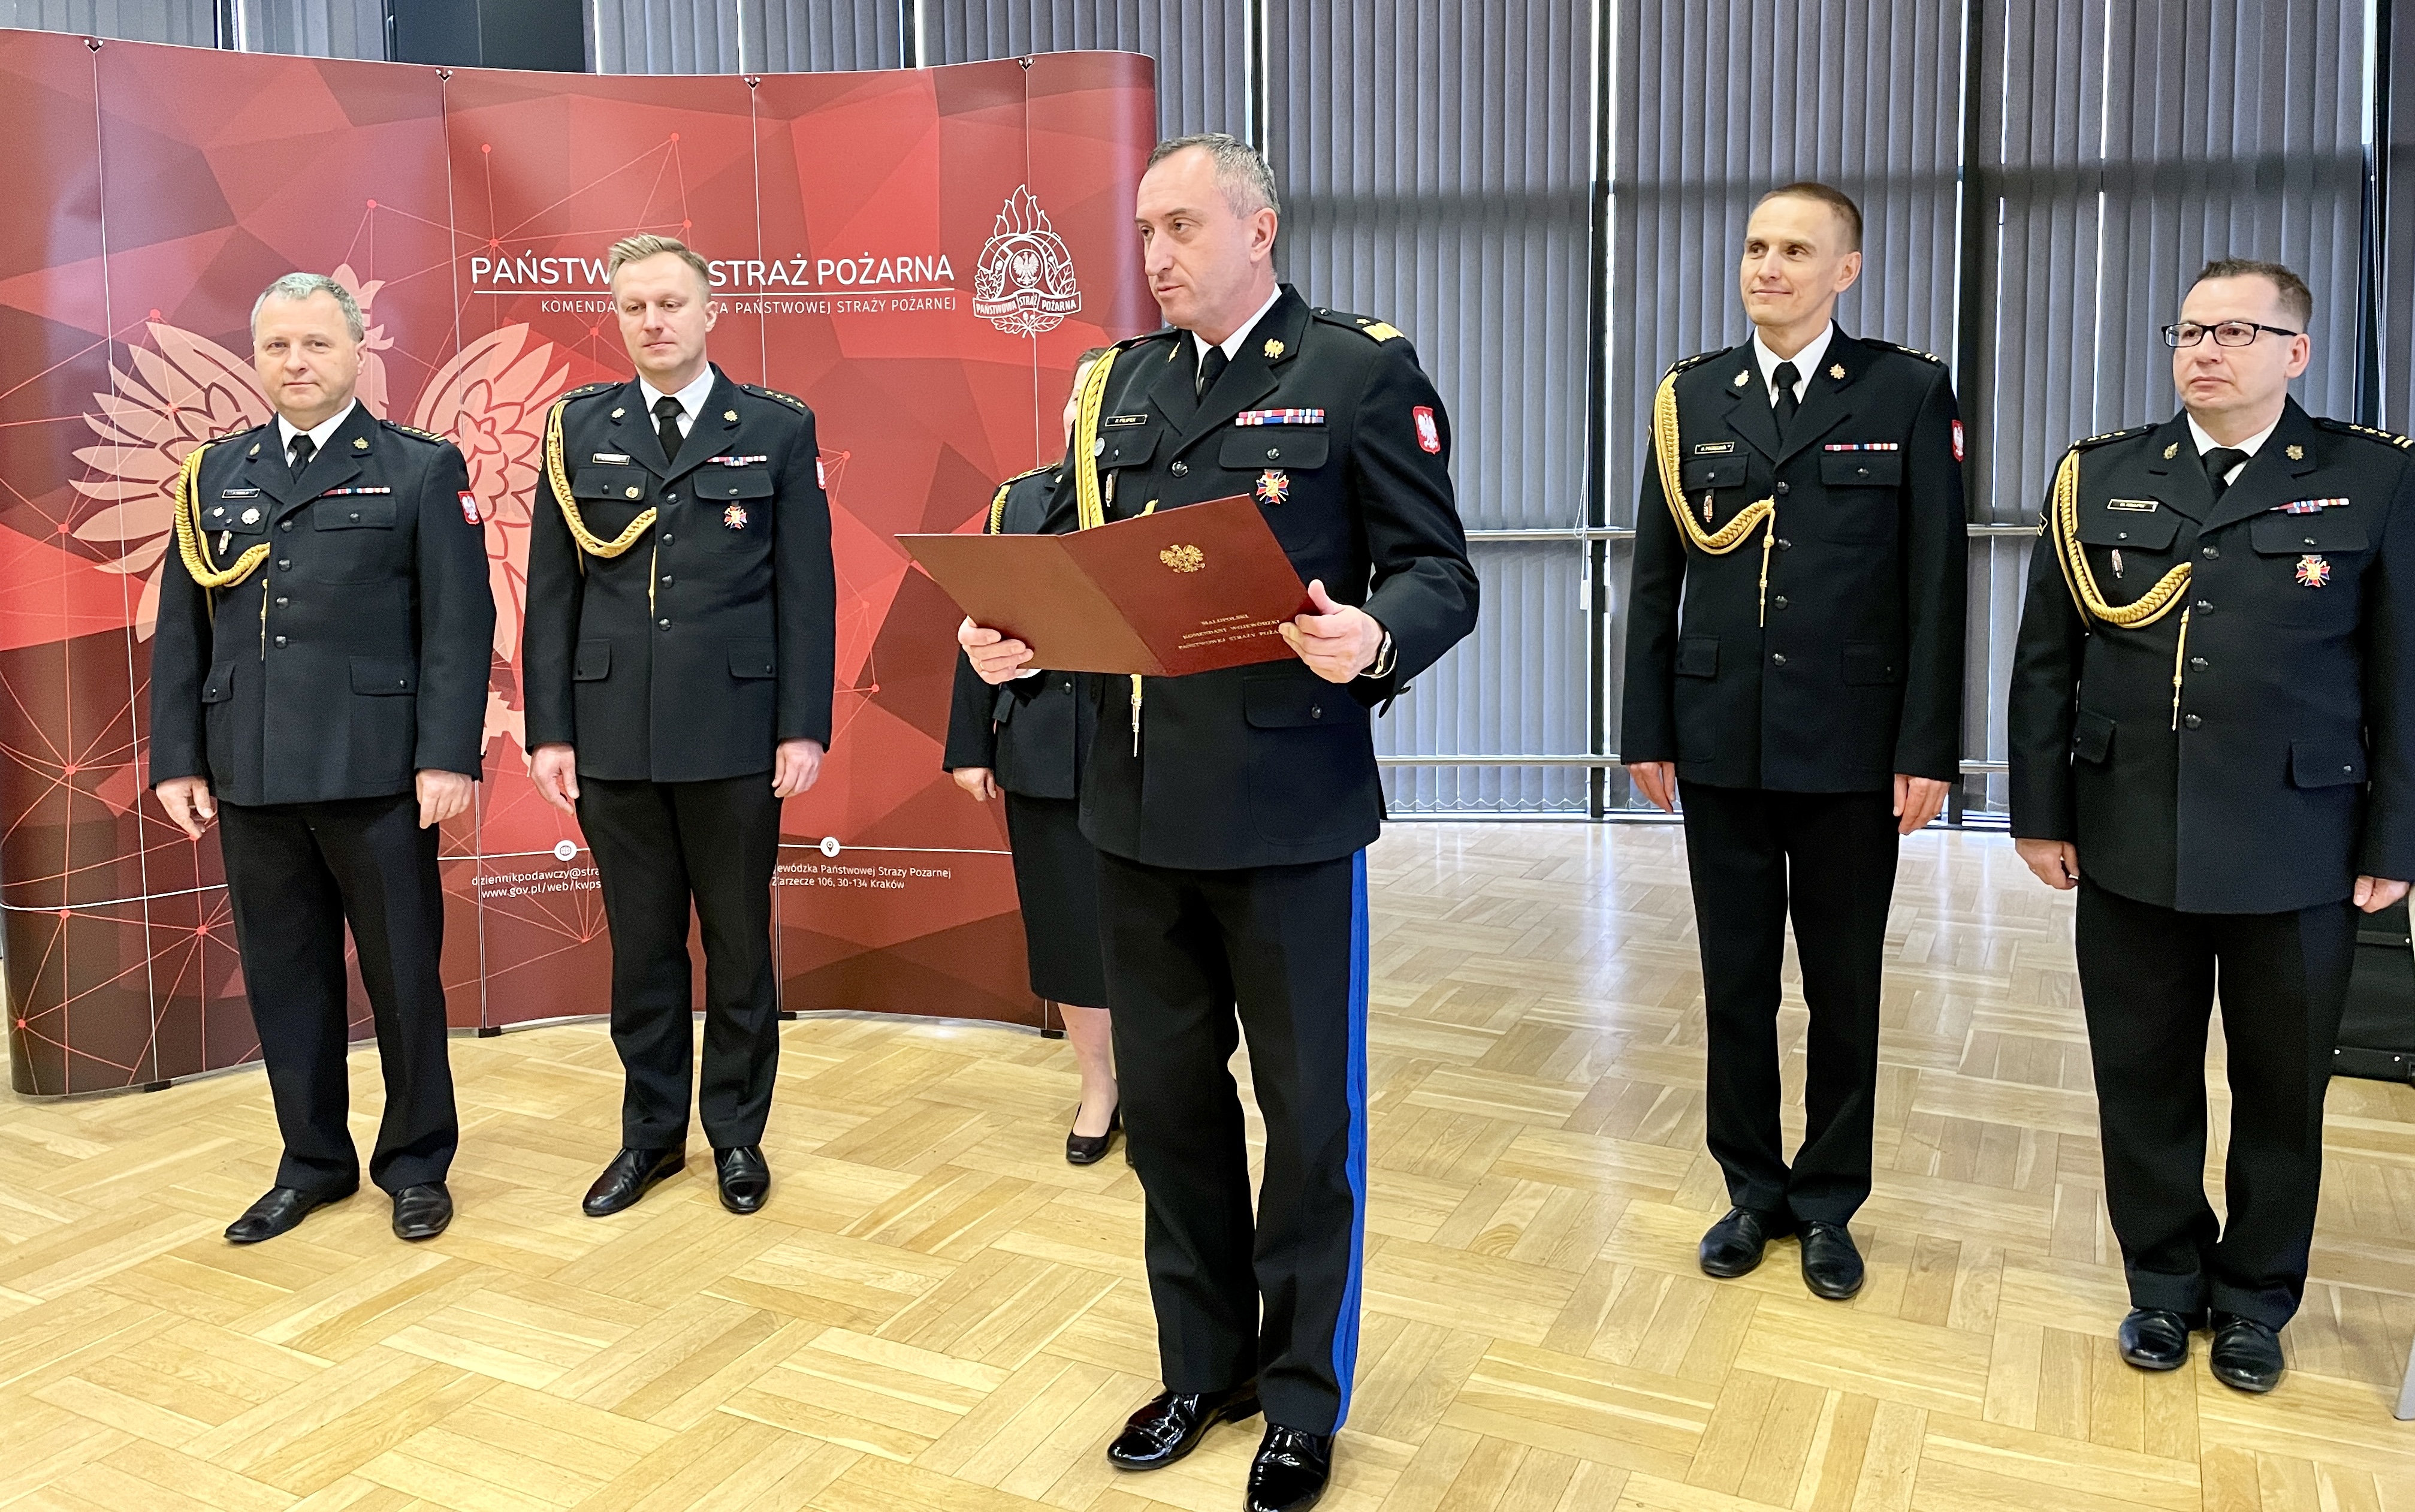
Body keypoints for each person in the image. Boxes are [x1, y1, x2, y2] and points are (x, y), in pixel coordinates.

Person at [962, 133, 1477, 1512]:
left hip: (1286, 813)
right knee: (1173, 1114)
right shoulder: (1114, 387)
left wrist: (1376, 635)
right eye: (1143, 232)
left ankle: (1300, 1398)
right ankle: (1202, 1364)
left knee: (1305, 1124)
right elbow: (1077, 571)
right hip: (1131, 811)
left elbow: (1439, 572)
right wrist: (1009, 636)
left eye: (1181, 226)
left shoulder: (1354, 372)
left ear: (1259, 228)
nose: (1155, 256)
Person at [2007, 258, 2415, 1393]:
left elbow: (2402, 673)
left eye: (2236, 332)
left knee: (2281, 1089)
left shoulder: (2372, 478)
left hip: (2298, 837)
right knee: (2140, 1074)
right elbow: (2044, 661)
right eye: (2189, 330)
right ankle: (2162, 1282)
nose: (2204, 351)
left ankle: (2253, 1300)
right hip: (2130, 828)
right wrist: (2037, 812)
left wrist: (2396, 837)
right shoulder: (2098, 476)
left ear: (2295, 352)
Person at [1620, 183, 1968, 1302]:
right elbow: (1655, 575)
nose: (1767, 268)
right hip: (1718, 735)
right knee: (1734, 984)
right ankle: (1749, 1191)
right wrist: (1644, 725)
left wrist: (1927, 747)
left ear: (1843, 271)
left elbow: (1936, 582)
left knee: (1841, 987)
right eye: (1756, 248)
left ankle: (1826, 1203)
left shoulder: (1904, 391)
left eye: (1794, 251)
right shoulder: (1690, 397)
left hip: (1851, 745)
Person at [149, 272, 493, 1245]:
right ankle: (312, 1163)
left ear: (356, 352)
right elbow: (183, 630)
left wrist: (447, 756)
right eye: (277, 346)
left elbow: (459, 626)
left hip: (377, 771)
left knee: (402, 980)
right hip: (251, 768)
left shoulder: (419, 467)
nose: (295, 363)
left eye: (316, 344)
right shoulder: (214, 474)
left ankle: (416, 1163)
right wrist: (178, 758)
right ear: (256, 357)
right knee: (286, 980)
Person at [522, 234, 836, 1219]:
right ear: (616, 317)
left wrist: (801, 727)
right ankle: (649, 1139)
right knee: (642, 949)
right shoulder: (576, 428)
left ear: (710, 311)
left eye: (669, 303)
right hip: (613, 730)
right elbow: (551, 592)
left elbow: (806, 592)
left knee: (738, 946)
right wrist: (550, 731)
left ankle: (736, 1135)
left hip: (737, 730)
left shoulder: (775, 427)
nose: (652, 322)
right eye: (633, 307)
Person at [943, 349, 1121, 1165]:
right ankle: (1099, 1087)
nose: (1088, 414)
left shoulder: (1169, 496)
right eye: (1080, 398)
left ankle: (1163, 1089)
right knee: (1070, 933)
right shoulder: (1018, 501)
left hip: (1156, 751)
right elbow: (983, 622)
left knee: (1162, 939)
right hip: (1045, 746)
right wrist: (970, 741)